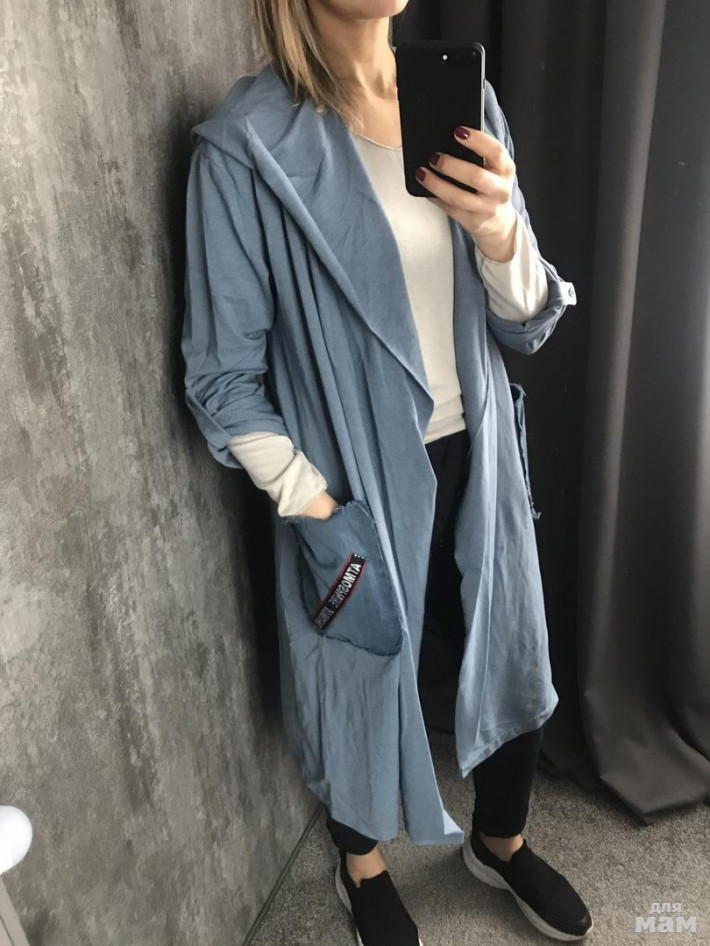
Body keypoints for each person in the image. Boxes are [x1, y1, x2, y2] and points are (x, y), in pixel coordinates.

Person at [181, 2, 591, 944]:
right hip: (355, 478)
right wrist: (314, 502)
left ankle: (500, 841)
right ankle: (359, 865)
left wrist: (500, 232)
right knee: (356, 677)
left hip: (479, 451)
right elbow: (221, 376)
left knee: (510, 651)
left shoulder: (466, 104)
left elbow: (524, 320)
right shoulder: (246, 147)